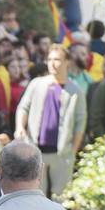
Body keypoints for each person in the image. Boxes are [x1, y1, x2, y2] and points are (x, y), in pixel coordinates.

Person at [15, 45, 87, 199]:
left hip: (62, 153)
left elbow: (81, 122)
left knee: (60, 199)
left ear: (67, 62)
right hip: (35, 151)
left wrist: (72, 151)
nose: (52, 63)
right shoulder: (37, 84)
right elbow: (23, 107)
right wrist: (20, 126)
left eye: (57, 60)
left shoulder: (75, 90)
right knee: (34, 197)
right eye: (50, 59)